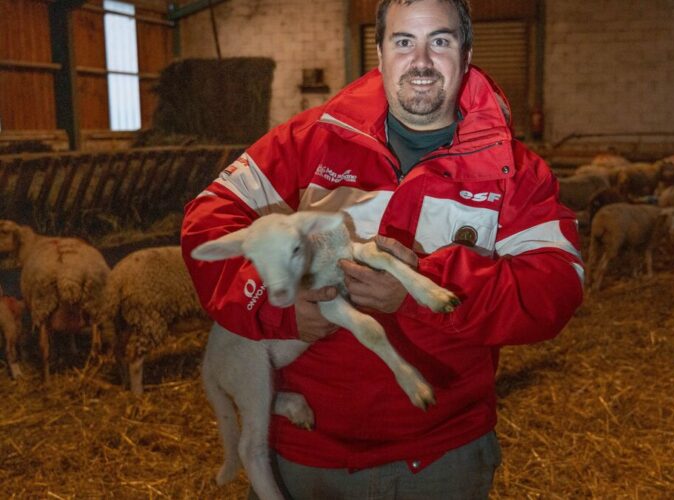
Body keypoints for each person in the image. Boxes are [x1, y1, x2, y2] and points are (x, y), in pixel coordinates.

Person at [181, 0, 584, 497]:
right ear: (379, 53)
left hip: (438, 456)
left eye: (440, 41)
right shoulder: (311, 141)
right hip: (307, 458)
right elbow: (209, 216)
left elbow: (557, 286)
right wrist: (273, 304)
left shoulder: (512, 171)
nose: (420, 60)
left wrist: (427, 288)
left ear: (467, 52)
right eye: (403, 41)